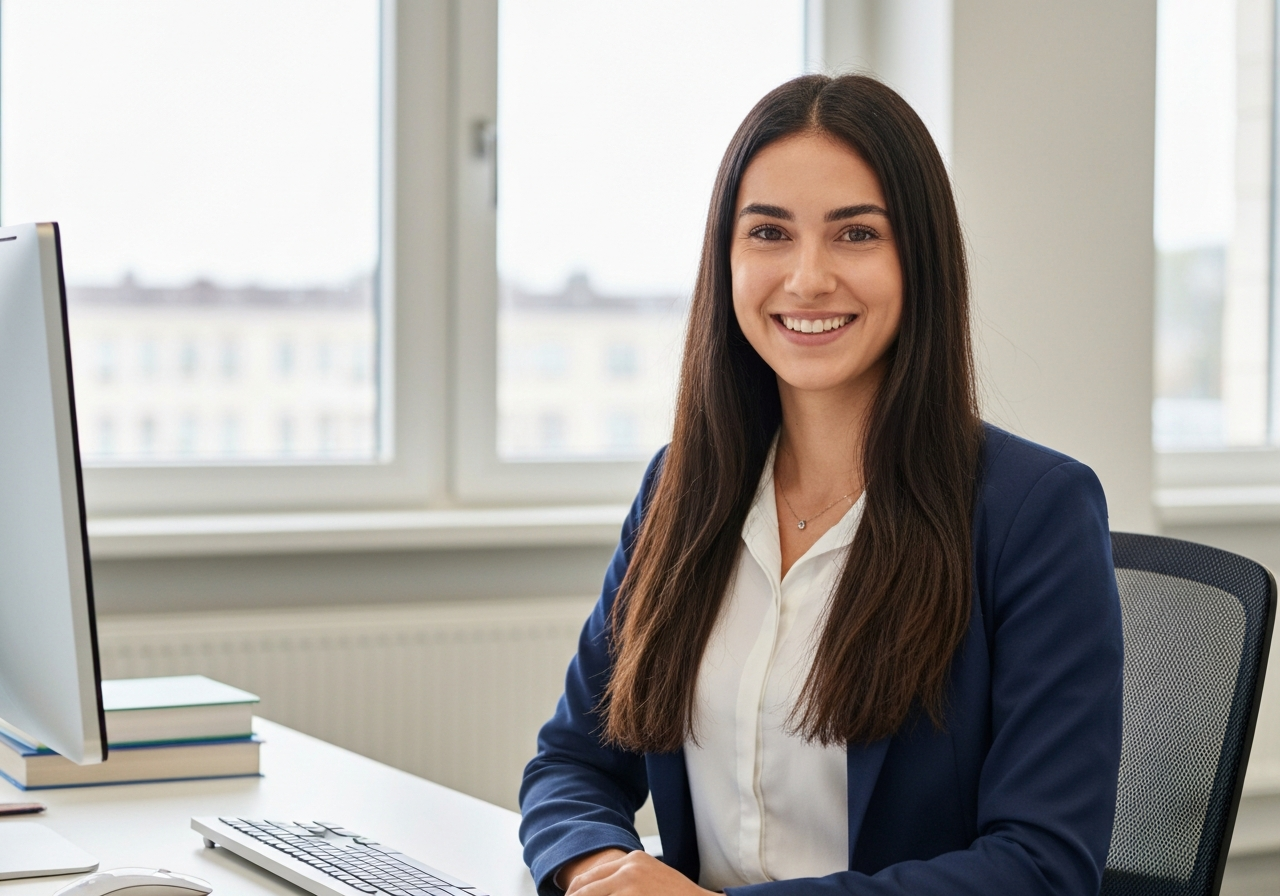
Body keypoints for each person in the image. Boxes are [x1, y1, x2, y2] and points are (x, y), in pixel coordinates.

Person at [518, 74, 1123, 896]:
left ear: (920, 259)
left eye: (856, 234)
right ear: (727, 259)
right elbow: (572, 762)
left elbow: (1041, 867)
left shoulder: (1034, 512)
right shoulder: (680, 489)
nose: (807, 278)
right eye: (769, 232)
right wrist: (598, 870)